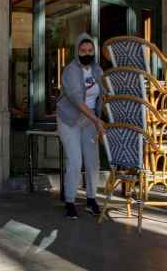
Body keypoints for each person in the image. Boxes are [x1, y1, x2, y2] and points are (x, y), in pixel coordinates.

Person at [56, 32, 106, 219]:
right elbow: (77, 100)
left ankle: (91, 199)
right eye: (83, 50)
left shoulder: (98, 71)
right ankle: (70, 201)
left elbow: (104, 95)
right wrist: (97, 120)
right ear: (77, 52)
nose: (87, 54)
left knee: (93, 162)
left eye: (90, 50)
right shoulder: (70, 71)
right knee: (75, 161)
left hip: (90, 120)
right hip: (69, 120)